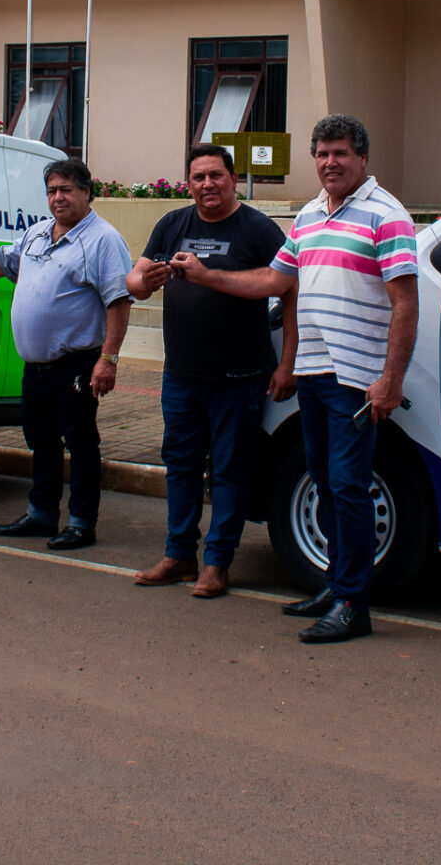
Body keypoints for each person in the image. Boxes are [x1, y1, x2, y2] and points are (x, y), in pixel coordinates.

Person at [170, 114, 417, 643]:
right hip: (314, 372)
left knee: (350, 486)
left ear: (362, 159)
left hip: (355, 377)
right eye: (322, 154)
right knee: (326, 482)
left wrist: (390, 378)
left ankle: (354, 603)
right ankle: (337, 583)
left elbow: (405, 303)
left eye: (341, 154)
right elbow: (274, 280)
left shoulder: (387, 215)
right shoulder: (308, 215)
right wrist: (207, 274)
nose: (330, 163)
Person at [126, 144, 295, 598]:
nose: (207, 185)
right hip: (180, 374)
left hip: (239, 379)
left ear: (233, 178)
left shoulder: (259, 230)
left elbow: (285, 290)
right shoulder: (172, 224)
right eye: (198, 177)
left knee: (229, 471)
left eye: (215, 175)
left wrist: (288, 363)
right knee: (179, 466)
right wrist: (146, 281)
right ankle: (179, 554)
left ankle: (217, 563)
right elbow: (133, 281)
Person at [0, 157, 131, 550]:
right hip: (37, 366)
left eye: (66, 190)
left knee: (80, 443)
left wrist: (107, 360)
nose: (58, 198)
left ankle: (81, 523)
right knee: (41, 441)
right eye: (52, 191)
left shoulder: (103, 240)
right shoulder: (38, 233)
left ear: (86, 192)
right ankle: (42, 514)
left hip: (76, 363)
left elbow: (118, 301)